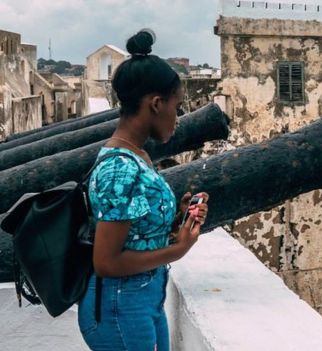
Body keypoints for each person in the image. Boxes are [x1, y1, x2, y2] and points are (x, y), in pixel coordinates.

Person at [77, 29, 209, 351]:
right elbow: (106, 262)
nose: (178, 118)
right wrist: (178, 250)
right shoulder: (119, 168)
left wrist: (178, 218)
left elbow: (135, 228)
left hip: (142, 298)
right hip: (120, 307)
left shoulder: (136, 155)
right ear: (156, 103)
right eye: (176, 107)